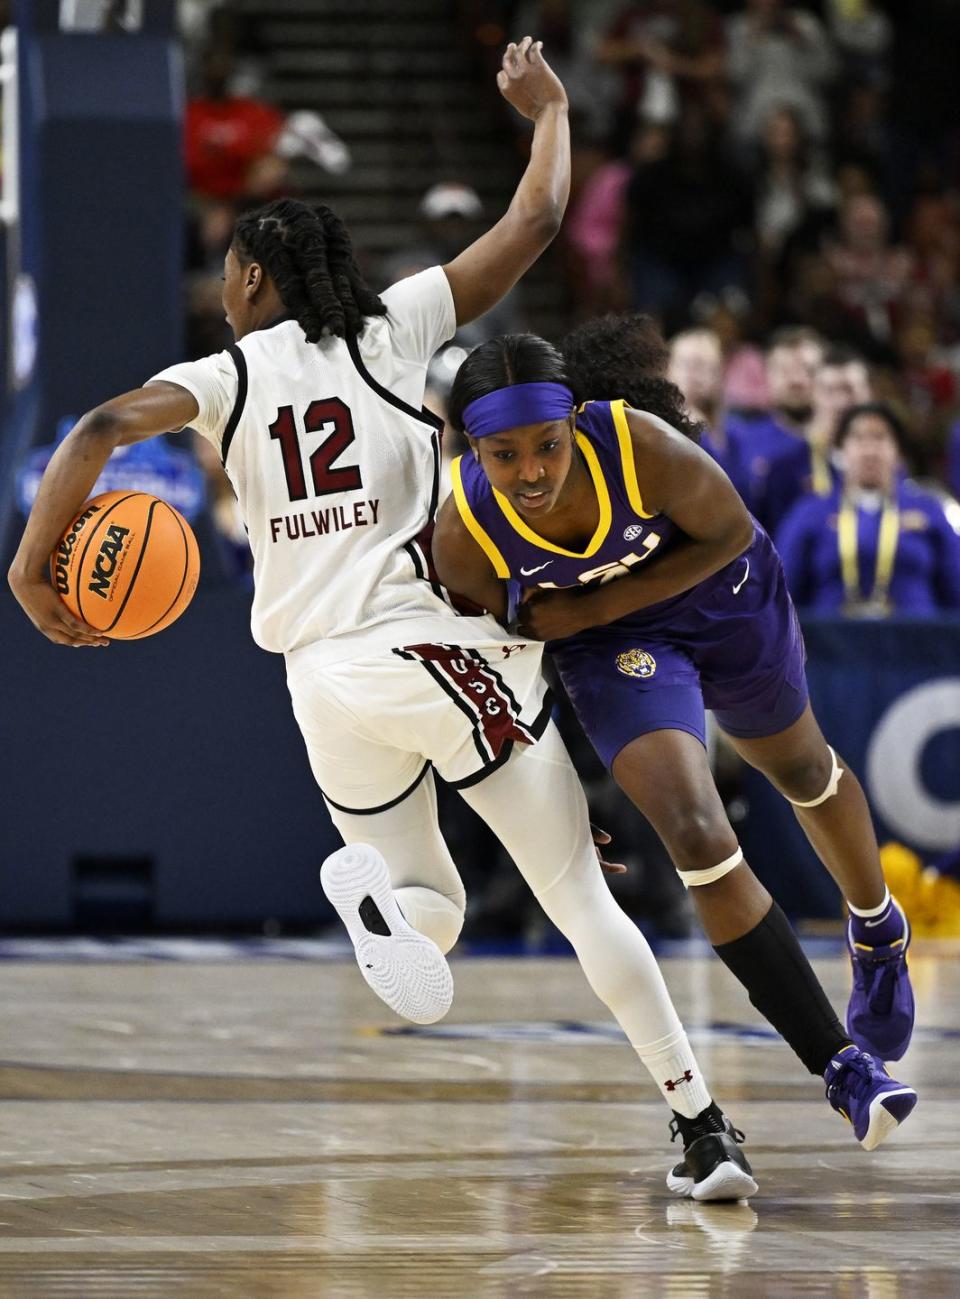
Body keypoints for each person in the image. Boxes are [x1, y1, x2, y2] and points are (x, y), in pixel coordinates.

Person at [7, 40, 754, 1203]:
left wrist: (32, 564)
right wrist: (549, 110)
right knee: (577, 894)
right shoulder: (401, 327)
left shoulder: (227, 376)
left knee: (434, 915)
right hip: (425, 649)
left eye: (230, 268)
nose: (223, 281)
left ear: (254, 281)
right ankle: (702, 1129)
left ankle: (372, 899)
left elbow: (98, 427)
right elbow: (538, 218)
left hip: (318, 685)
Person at [431, 324, 918, 1154]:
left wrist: (586, 606)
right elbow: (497, 669)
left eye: (547, 446)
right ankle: (842, 1066)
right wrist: (539, 786)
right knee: (696, 834)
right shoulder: (463, 536)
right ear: (471, 448)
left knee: (802, 771)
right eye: (503, 455)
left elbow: (728, 533)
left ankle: (876, 927)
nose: (532, 473)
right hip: (620, 653)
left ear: (577, 420)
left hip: (723, 594)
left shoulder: (637, 444)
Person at [776, 402, 960, 616]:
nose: (870, 450)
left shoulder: (929, 509)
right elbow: (783, 592)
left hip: (915, 644)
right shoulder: (810, 512)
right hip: (830, 644)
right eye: (858, 438)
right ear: (840, 451)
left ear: (899, 453)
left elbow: (956, 588)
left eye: (880, 438)